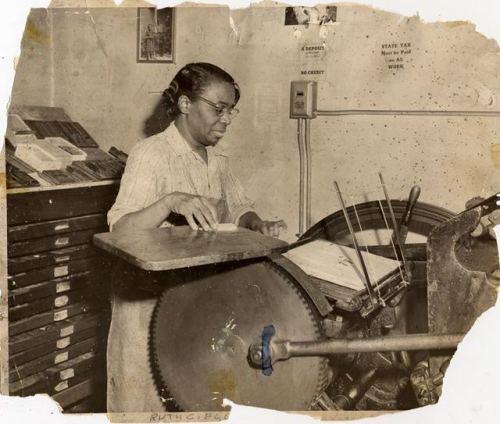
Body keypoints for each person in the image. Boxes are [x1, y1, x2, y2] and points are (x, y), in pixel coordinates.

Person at [106, 62, 286, 412]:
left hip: (191, 305)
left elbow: (239, 208)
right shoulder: (151, 155)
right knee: (143, 403)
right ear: (186, 104)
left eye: (231, 110)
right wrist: (171, 201)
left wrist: (255, 222)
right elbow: (120, 229)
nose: (227, 119)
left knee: (188, 393)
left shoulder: (217, 160)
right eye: (218, 109)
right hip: (145, 306)